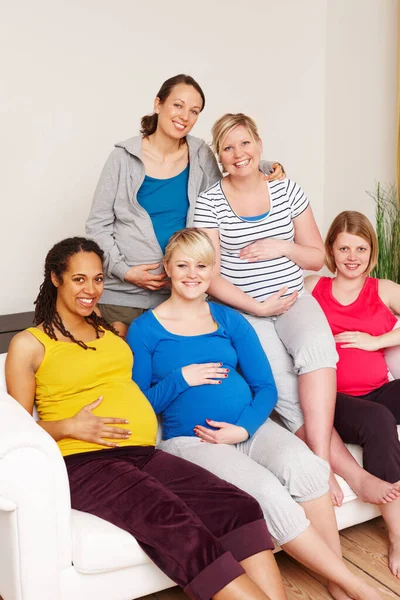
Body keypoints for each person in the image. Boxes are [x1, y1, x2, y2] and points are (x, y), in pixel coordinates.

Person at [5, 236, 288, 600]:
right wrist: (68, 426)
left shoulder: (110, 332)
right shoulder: (29, 344)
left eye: (97, 279)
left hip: (142, 452)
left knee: (237, 505)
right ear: (55, 279)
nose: (91, 289)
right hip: (84, 461)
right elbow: (17, 432)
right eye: (79, 279)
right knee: (175, 522)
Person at [127, 227, 382, 600]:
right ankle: (355, 583)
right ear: (167, 268)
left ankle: (336, 581)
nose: (192, 274)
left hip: (249, 427)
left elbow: (266, 388)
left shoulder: (229, 320)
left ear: (212, 270)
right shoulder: (145, 330)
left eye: (201, 265)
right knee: (266, 492)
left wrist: (244, 429)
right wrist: (181, 379)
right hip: (192, 440)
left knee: (307, 467)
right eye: (182, 265)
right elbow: (139, 405)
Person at [191, 112, 344, 503]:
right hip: (246, 312)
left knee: (318, 351)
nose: (238, 153)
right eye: (228, 147)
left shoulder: (288, 190)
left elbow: (317, 259)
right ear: (219, 157)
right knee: (283, 387)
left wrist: (282, 247)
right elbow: (210, 276)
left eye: (245, 143)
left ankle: (320, 462)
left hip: (294, 299)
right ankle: (319, 468)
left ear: (259, 144)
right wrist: (257, 308)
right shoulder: (210, 203)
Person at [85, 74, 284, 337]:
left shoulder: (200, 154)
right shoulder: (122, 159)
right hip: (124, 296)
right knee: (123, 367)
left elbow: (225, 189)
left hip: (183, 292)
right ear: (158, 104)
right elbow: (97, 225)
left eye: (194, 111)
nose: (185, 116)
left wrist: (262, 166)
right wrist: (125, 271)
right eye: (178, 105)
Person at [305, 210, 400, 579]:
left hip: (377, 389)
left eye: (360, 248)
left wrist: (377, 340)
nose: (352, 256)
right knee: (379, 421)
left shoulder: (385, 288)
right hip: (334, 400)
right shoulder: (314, 286)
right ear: (331, 249)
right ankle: (396, 535)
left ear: (371, 251)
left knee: (381, 409)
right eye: (343, 247)